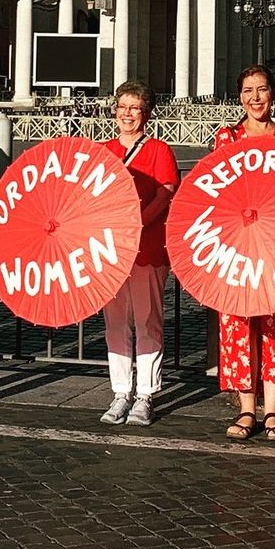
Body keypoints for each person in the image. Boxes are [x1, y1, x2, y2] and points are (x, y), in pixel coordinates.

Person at [217, 64, 275, 442]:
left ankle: (273, 408)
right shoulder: (226, 138)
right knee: (237, 323)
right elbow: (215, 191)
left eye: (262, 89)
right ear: (240, 97)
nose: (255, 98)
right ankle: (246, 408)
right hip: (236, 244)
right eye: (248, 91)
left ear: (274, 93)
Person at [97, 80, 179, 426]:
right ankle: (120, 391)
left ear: (146, 113)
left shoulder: (159, 150)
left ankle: (145, 393)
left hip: (146, 245)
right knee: (115, 322)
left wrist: (135, 223)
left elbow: (165, 193)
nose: (127, 114)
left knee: (147, 320)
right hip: (110, 249)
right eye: (123, 107)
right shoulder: (102, 150)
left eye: (135, 108)